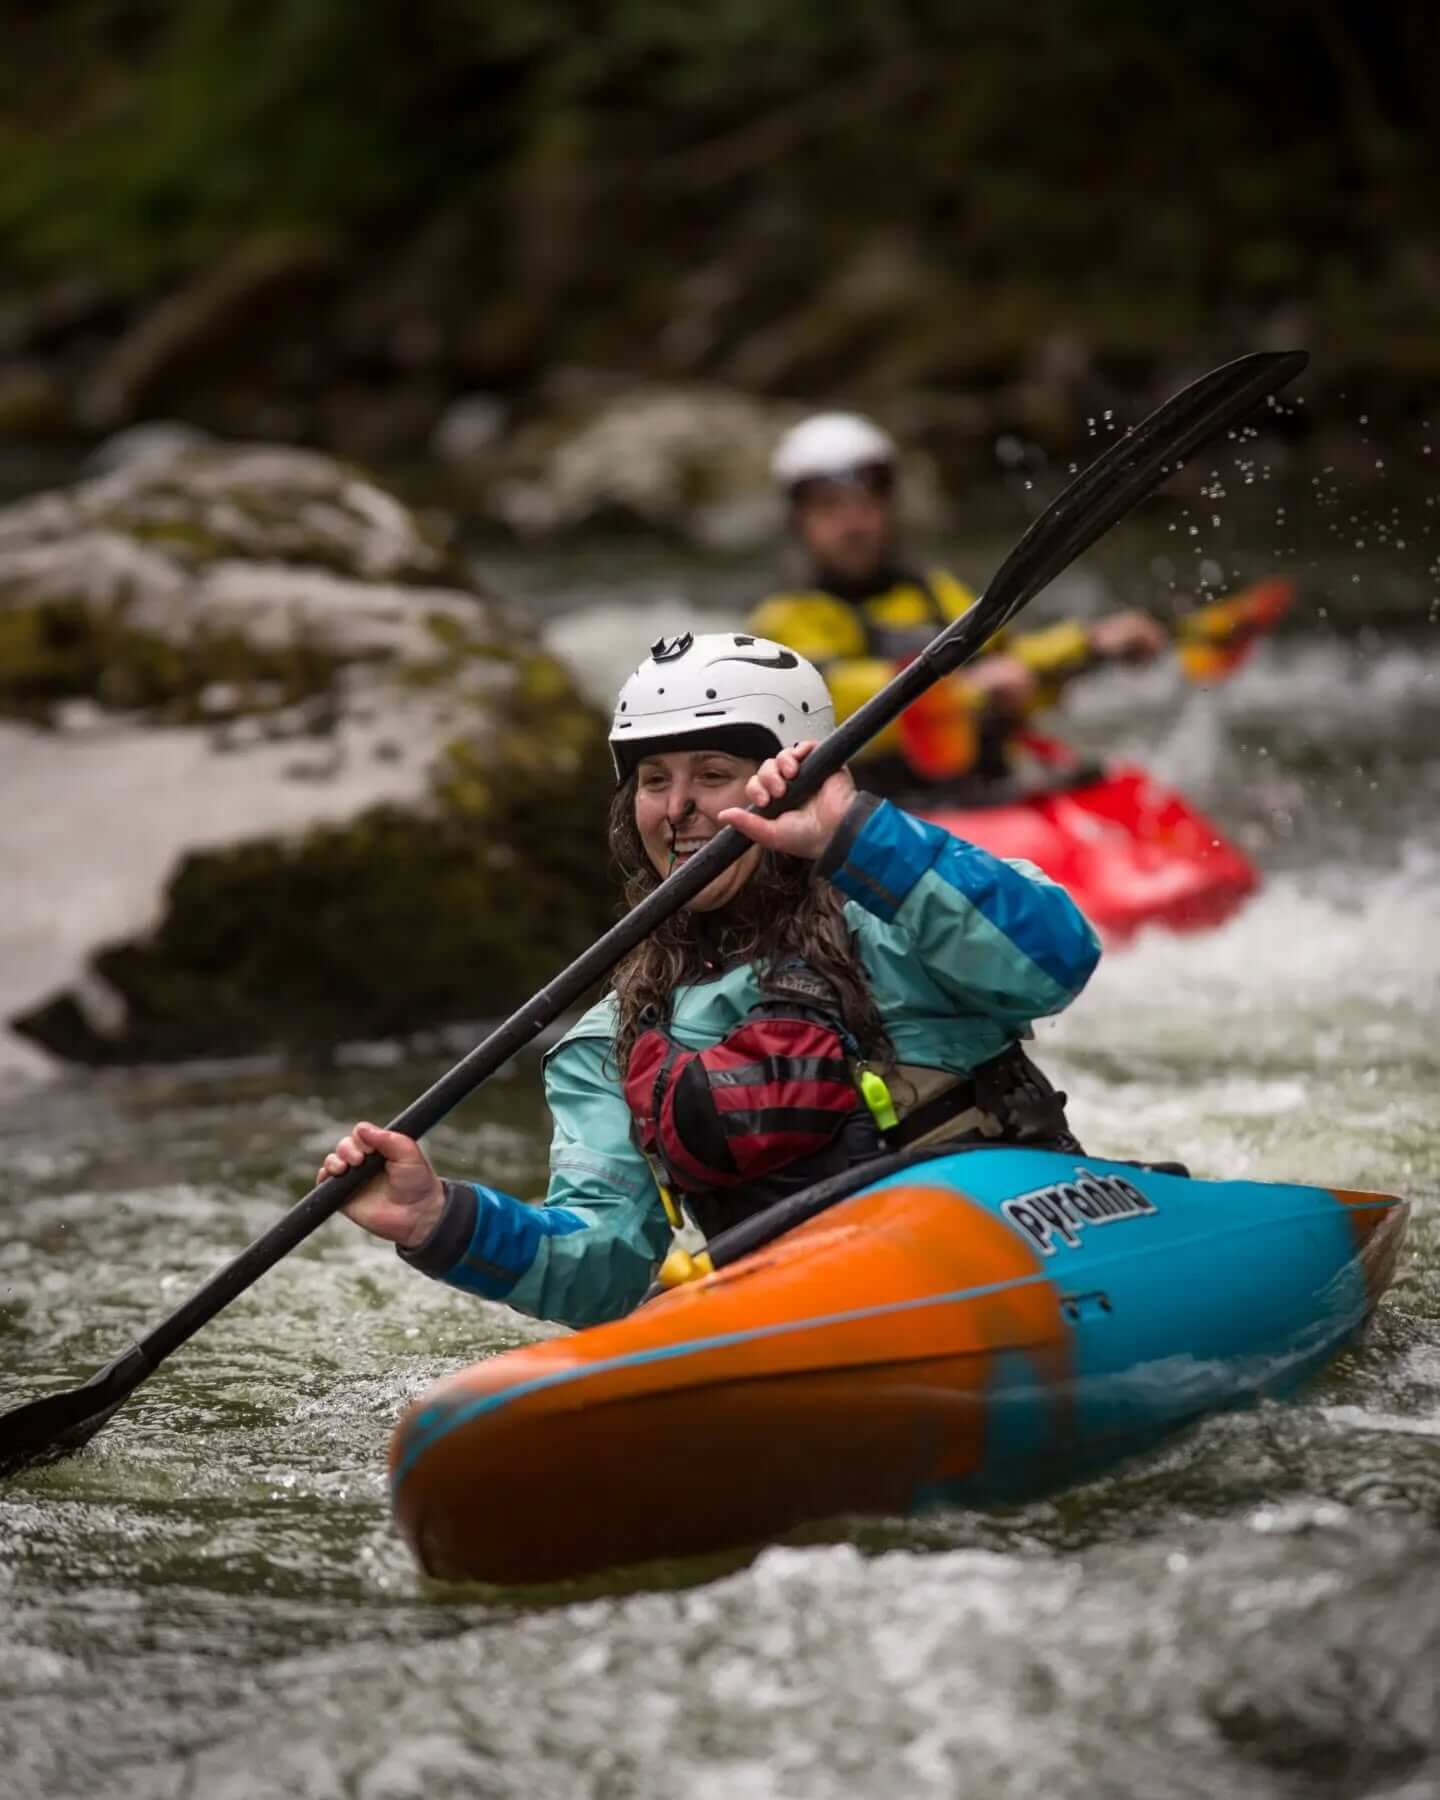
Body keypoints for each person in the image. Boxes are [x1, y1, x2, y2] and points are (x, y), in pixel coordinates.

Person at [320, 633, 1101, 1328]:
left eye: (714, 772)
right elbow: (604, 1266)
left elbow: (1054, 965)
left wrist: (855, 833)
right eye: (654, 780)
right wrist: (442, 1221)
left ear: (794, 777)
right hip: (816, 1306)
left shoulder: (899, 902)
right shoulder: (613, 1038)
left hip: (1025, 1243)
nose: (679, 808)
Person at [750, 412, 1168, 789]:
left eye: (866, 503)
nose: (853, 523)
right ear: (798, 521)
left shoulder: (934, 592)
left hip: (981, 793)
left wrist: (1092, 644)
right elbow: (832, 702)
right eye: (830, 507)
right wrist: (971, 691)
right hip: (885, 810)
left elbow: (1013, 660)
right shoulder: (783, 622)